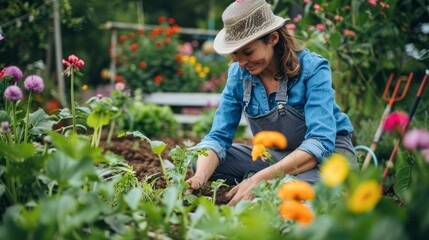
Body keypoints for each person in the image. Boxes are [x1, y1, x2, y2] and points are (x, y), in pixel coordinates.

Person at [186, 0, 358, 206]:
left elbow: (320, 143)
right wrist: (200, 178)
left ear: (273, 38)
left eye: (248, 52)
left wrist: (260, 178)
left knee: (291, 189)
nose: (241, 62)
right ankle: (273, 182)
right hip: (276, 156)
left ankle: (269, 184)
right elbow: (218, 137)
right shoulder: (238, 74)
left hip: (328, 159)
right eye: (235, 54)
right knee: (204, 162)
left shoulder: (313, 69)